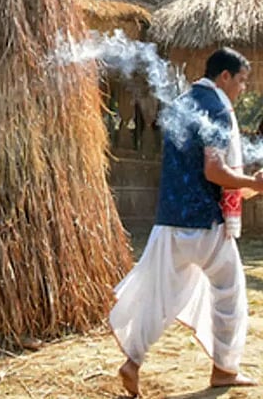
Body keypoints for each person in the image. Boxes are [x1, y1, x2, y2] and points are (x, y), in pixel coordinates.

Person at [110, 47, 263, 397]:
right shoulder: (218, 108)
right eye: (240, 81)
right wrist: (253, 183)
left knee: (161, 298)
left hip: (169, 221)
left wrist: (246, 187)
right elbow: (214, 170)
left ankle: (132, 362)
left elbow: (196, 170)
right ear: (224, 77)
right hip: (205, 224)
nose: (242, 90)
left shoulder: (181, 103)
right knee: (230, 296)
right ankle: (224, 370)